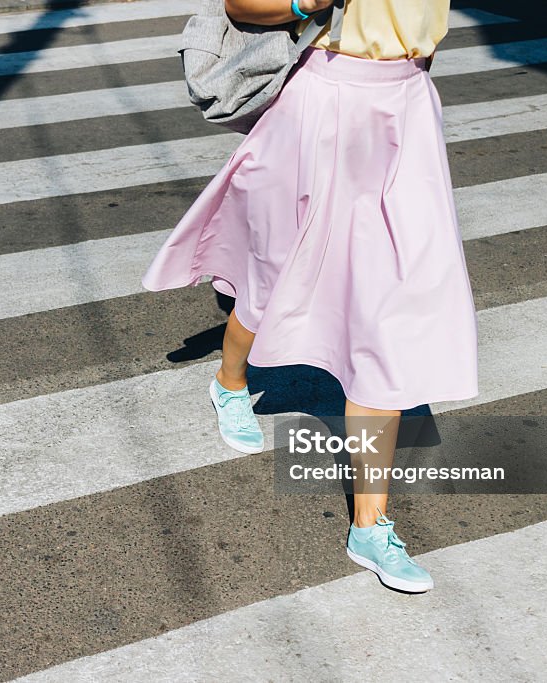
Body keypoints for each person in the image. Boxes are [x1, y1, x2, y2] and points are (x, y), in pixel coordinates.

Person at [142, 0, 479, 592]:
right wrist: (304, 3)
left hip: (408, 106)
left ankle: (370, 527)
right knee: (274, 276)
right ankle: (230, 382)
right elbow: (241, 4)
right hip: (324, 104)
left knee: (388, 313)